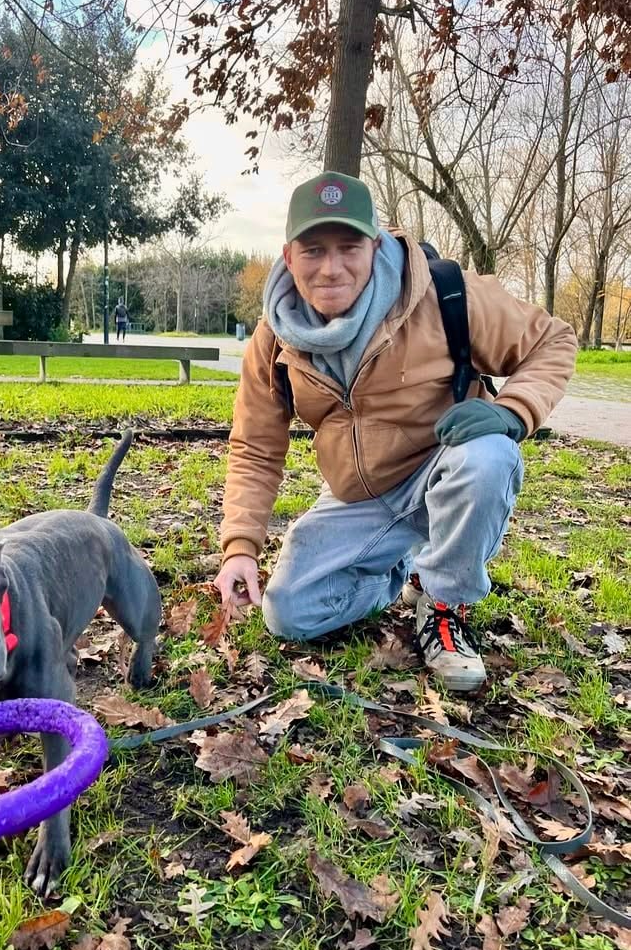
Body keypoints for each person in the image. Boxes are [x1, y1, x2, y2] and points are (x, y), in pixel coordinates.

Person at [214, 171, 577, 693]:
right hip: (360, 494)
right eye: (313, 250)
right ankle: (402, 572)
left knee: (490, 457)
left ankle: (445, 602)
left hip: (444, 468)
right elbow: (255, 446)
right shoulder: (275, 336)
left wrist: (515, 411)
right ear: (289, 257)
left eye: (349, 246)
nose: (331, 267)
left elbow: (553, 340)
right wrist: (241, 547)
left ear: (375, 243)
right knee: (289, 613)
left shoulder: (442, 292)